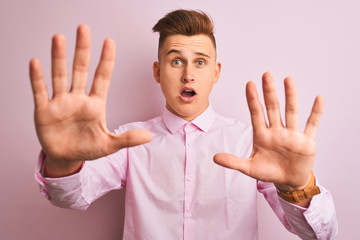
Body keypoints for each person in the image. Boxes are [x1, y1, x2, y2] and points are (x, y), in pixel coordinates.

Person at [30, 9, 337, 239]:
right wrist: (63, 161)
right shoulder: (128, 141)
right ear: (158, 71)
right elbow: (69, 196)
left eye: (200, 62)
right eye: (176, 61)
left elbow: (321, 234)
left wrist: (299, 188)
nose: (188, 74)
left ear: (215, 72)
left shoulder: (250, 143)